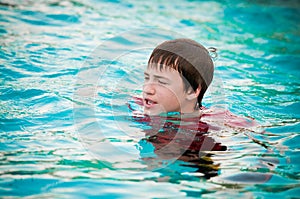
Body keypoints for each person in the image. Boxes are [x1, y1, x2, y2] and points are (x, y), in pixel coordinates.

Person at [143, 38, 214, 116]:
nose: (147, 90)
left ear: (191, 91)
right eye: (147, 78)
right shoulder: (137, 105)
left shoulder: (210, 125)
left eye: (161, 82)